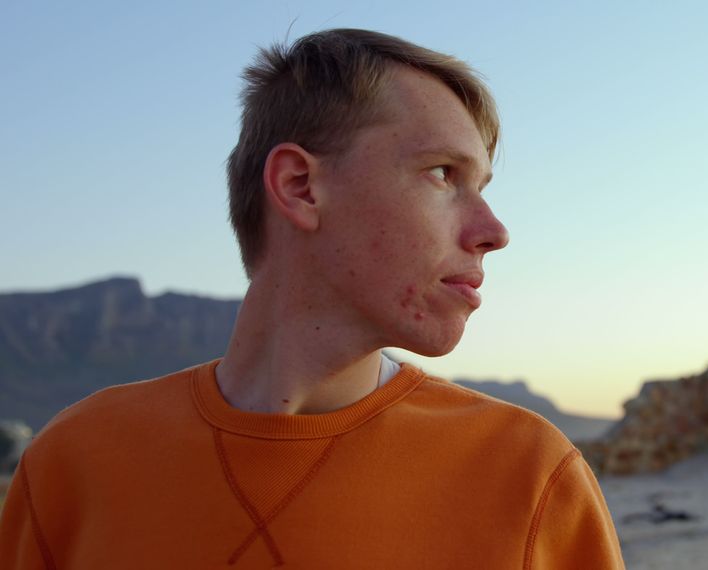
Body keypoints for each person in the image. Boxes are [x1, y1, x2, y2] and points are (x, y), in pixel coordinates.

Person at [0, 29, 625, 569]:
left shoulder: (530, 475)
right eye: (444, 175)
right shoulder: (74, 463)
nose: (494, 231)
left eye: (482, 186)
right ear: (299, 186)